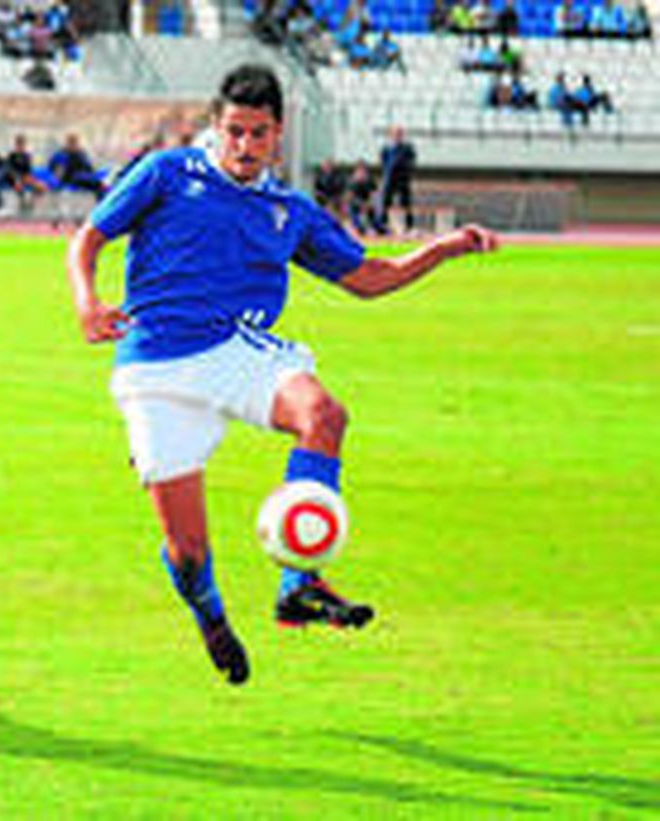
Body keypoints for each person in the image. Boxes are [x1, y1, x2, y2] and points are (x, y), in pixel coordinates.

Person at [63, 64, 499, 686]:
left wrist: (443, 248)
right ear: (215, 127)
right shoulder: (166, 173)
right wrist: (87, 303)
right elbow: (88, 238)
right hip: (155, 364)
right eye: (235, 131)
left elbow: (368, 278)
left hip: (239, 349)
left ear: (278, 134)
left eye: (258, 134)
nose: (245, 146)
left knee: (324, 415)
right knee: (187, 552)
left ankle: (298, 584)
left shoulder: (289, 210)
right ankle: (210, 615)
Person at [377, 124, 416, 235]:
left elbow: (411, 162)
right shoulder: (386, 148)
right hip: (390, 179)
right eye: (395, 133)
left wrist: (406, 173)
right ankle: (382, 226)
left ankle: (409, 227)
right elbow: (383, 163)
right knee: (385, 203)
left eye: (399, 133)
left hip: (403, 180)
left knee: (406, 203)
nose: (397, 135)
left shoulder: (408, 148)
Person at [48, 132, 105, 201]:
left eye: (75, 143)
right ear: (67, 143)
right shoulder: (61, 153)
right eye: (71, 143)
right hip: (70, 178)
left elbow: (89, 167)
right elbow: (51, 168)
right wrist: (56, 177)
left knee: (97, 183)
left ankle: (102, 198)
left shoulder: (81, 153)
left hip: (83, 177)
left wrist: (93, 175)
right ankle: (102, 191)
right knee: (94, 182)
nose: (73, 145)